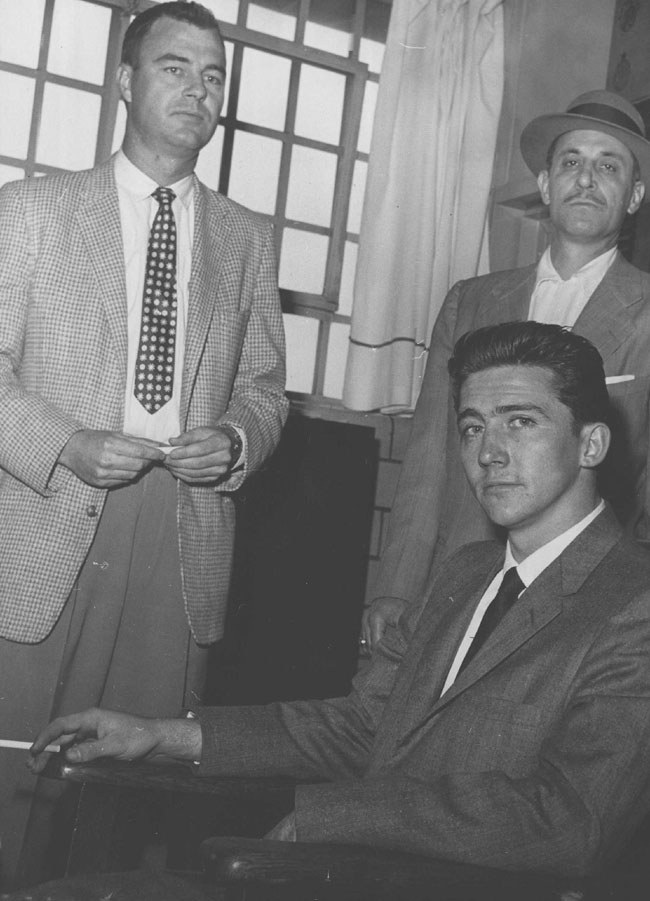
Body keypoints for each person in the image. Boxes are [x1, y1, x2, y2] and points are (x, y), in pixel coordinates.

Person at [29, 322, 650, 885]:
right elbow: (364, 728)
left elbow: (573, 820)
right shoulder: (467, 573)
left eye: (521, 421)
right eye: (472, 426)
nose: (488, 451)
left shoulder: (632, 603)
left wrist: (339, 817)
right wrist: (162, 736)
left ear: (591, 444)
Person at [0, 1, 286, 887]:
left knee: (130, 791)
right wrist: (66, 441)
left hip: (181, 533)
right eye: (174, 66)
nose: (197, 90)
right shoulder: (32, 211)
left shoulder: (245, 238)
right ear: (125, 81)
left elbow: (266, 389)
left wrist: (237, 439)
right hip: (45, 513)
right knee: (13, 773)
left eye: (213, 75)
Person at [362, 89, 650, 650]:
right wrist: (395, 586)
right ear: (545, 186)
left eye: (608, 166)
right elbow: (428, 459)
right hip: (456, 585)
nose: (586, 179)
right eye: (571, 162)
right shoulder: (470, 302)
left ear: (635, 195)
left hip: (584, 603)